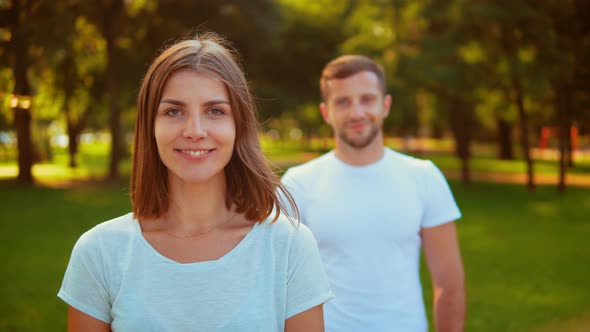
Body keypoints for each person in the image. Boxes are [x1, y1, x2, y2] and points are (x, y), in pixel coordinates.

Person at [58, 33, 333, 332]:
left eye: (215, 111)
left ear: (238, 125)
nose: (195, 130)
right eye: (174, 111)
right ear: (150, 126)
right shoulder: (99, 252)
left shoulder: (289, 246)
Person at [281, 55, 465, 332]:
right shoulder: (298, 183)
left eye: (367, 99)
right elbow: (278, 287)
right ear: (326, 112)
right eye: (343, 102)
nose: (356, 113)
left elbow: (448, 282)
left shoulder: (424, 177)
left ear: (385, 105)